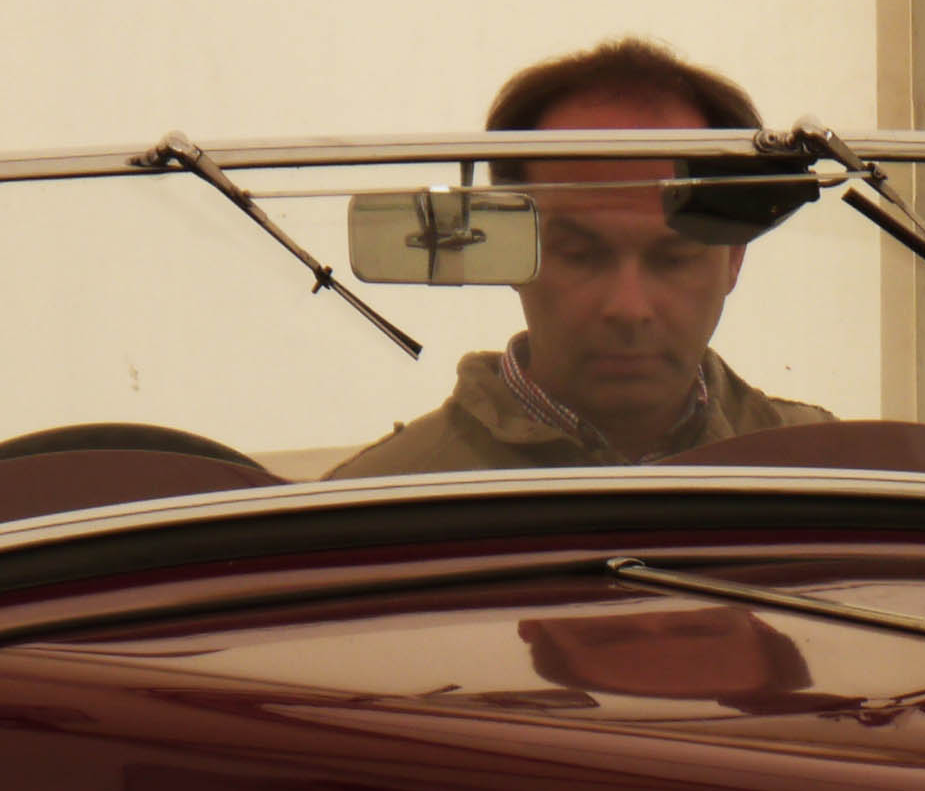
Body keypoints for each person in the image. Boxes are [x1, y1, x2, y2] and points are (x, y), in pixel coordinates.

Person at [338, 38, 835, 476]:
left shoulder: (832, 472)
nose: (628, 308)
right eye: (580, 255)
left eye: (674, 258)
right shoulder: (379, 505)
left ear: (734, 259)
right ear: (511, 248)